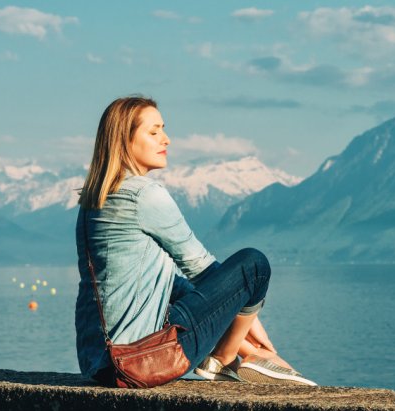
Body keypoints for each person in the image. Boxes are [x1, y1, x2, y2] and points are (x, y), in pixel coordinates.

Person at [74, 96, 314, 386]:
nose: (167, 139)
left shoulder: (92, 202)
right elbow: (204, 270)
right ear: (124, 140)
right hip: (139, 360)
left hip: (96, 362)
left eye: (163, 129)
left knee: (185, 289)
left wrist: (248, 342)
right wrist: (251, 324)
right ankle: (224, 359)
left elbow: (172, 284)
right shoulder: (144, 195)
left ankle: (247, 356)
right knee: (254, 266)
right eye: (154, 132)